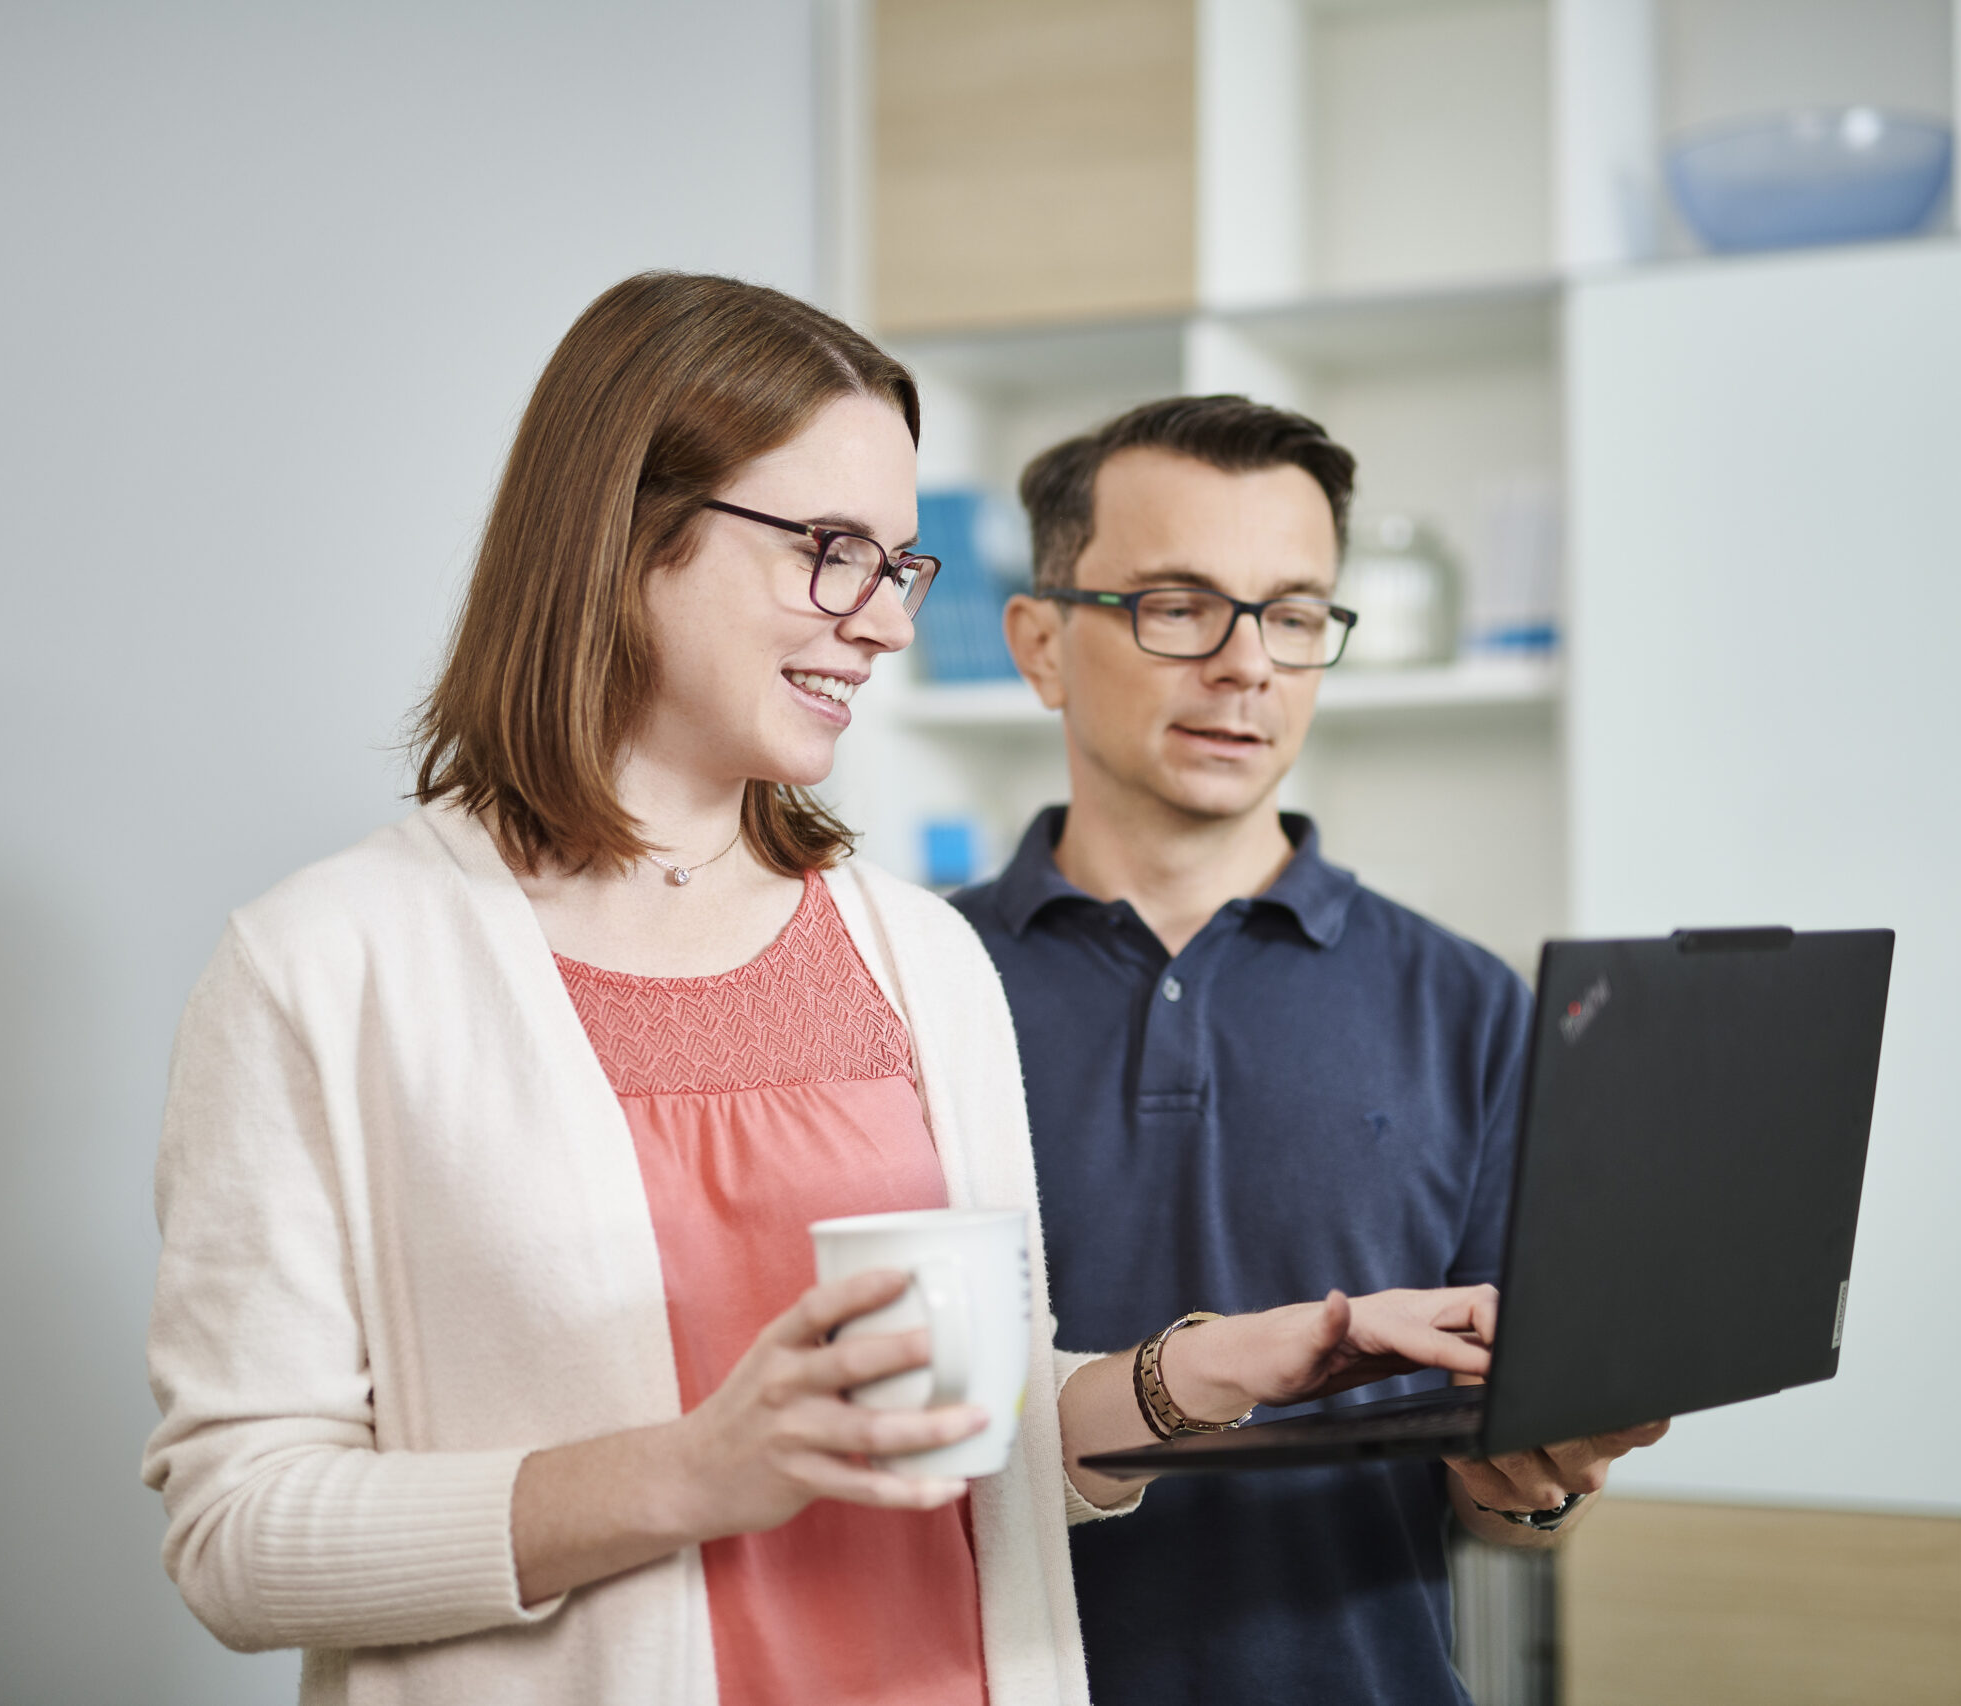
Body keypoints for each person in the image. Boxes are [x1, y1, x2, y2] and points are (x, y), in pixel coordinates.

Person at [140, 278, 1513, 1706]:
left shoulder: (920, 953)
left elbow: (970, 1440)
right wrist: (692, 1473)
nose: (887, 623)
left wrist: (1213, 1372)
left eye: (898, 564)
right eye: (832, 551)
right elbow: (238, 1536)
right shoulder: (327, 967)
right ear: (626, 530)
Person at [953, 395, 1671, 1706]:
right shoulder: (906, 988)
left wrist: (1538, 1481)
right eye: (1178, 606)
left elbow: (1502, 1501)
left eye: (1291, 616)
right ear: (1042, 643)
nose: (1248, 666)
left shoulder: (1470, 1003)